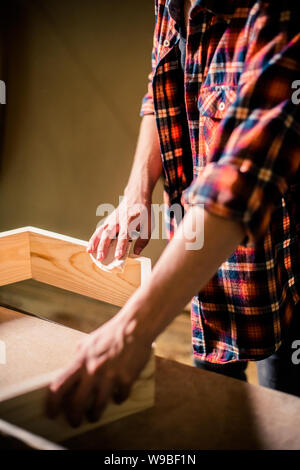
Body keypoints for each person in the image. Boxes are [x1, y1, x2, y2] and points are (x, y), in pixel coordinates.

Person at [47, 0, 300, 427]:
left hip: (278, 257)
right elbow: (159, 89)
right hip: (198, 256)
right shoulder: (170, 3)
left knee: (284, 410)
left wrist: (132, 329)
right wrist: (135, 194)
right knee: (214, 407)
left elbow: (240, 179)